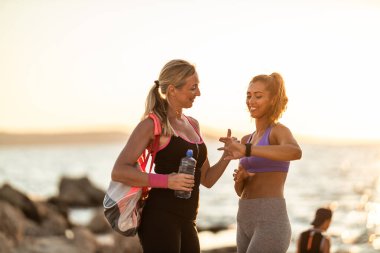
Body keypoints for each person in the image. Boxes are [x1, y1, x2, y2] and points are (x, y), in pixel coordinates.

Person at [111, 59, 231, 253]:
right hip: (160, 217)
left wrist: (227, 156)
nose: (198, 93)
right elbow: (119, 171)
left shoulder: (193, 124)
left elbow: (207, 179)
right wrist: (167, 181)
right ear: (173, 90)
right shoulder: (153, 124)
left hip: (188, 220)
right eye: (193, 88)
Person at [219, 72, 302, 253]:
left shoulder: (278, 131)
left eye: (258, 96)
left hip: (270, 219)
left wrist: (247, 150)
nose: (251, 101)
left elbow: (295, 152)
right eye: (248, 96)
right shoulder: (246, 139)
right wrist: (240, 179)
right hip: (244, 218)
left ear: (272, 100)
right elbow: (240, 191)